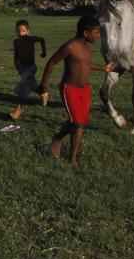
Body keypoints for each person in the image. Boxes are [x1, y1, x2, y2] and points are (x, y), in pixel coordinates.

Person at [37, 14, 112, 168]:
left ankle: (58, 138)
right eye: (96, 32)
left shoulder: (88, 47)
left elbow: (85, 65)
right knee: (78, 124)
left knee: (78, 122)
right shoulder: (70, 46)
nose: (98, 36)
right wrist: (44, 86)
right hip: (69, 89)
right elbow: (51, 63)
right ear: (85, 33)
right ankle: (73, 160)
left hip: (85, 90)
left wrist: (103, 68)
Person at [9, 19, 47, 121]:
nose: (21, 33)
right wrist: (17, 66)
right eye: (18, 31)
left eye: (23, 31)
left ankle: (18, 111)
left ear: (28, 31)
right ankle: (43, 92)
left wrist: (44, 53)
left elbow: (42, 39)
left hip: (31, 67)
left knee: (23, 88)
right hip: (22, 68)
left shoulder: (31, 39)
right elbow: (16, 55)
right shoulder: (16, 41)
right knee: (31, 85)